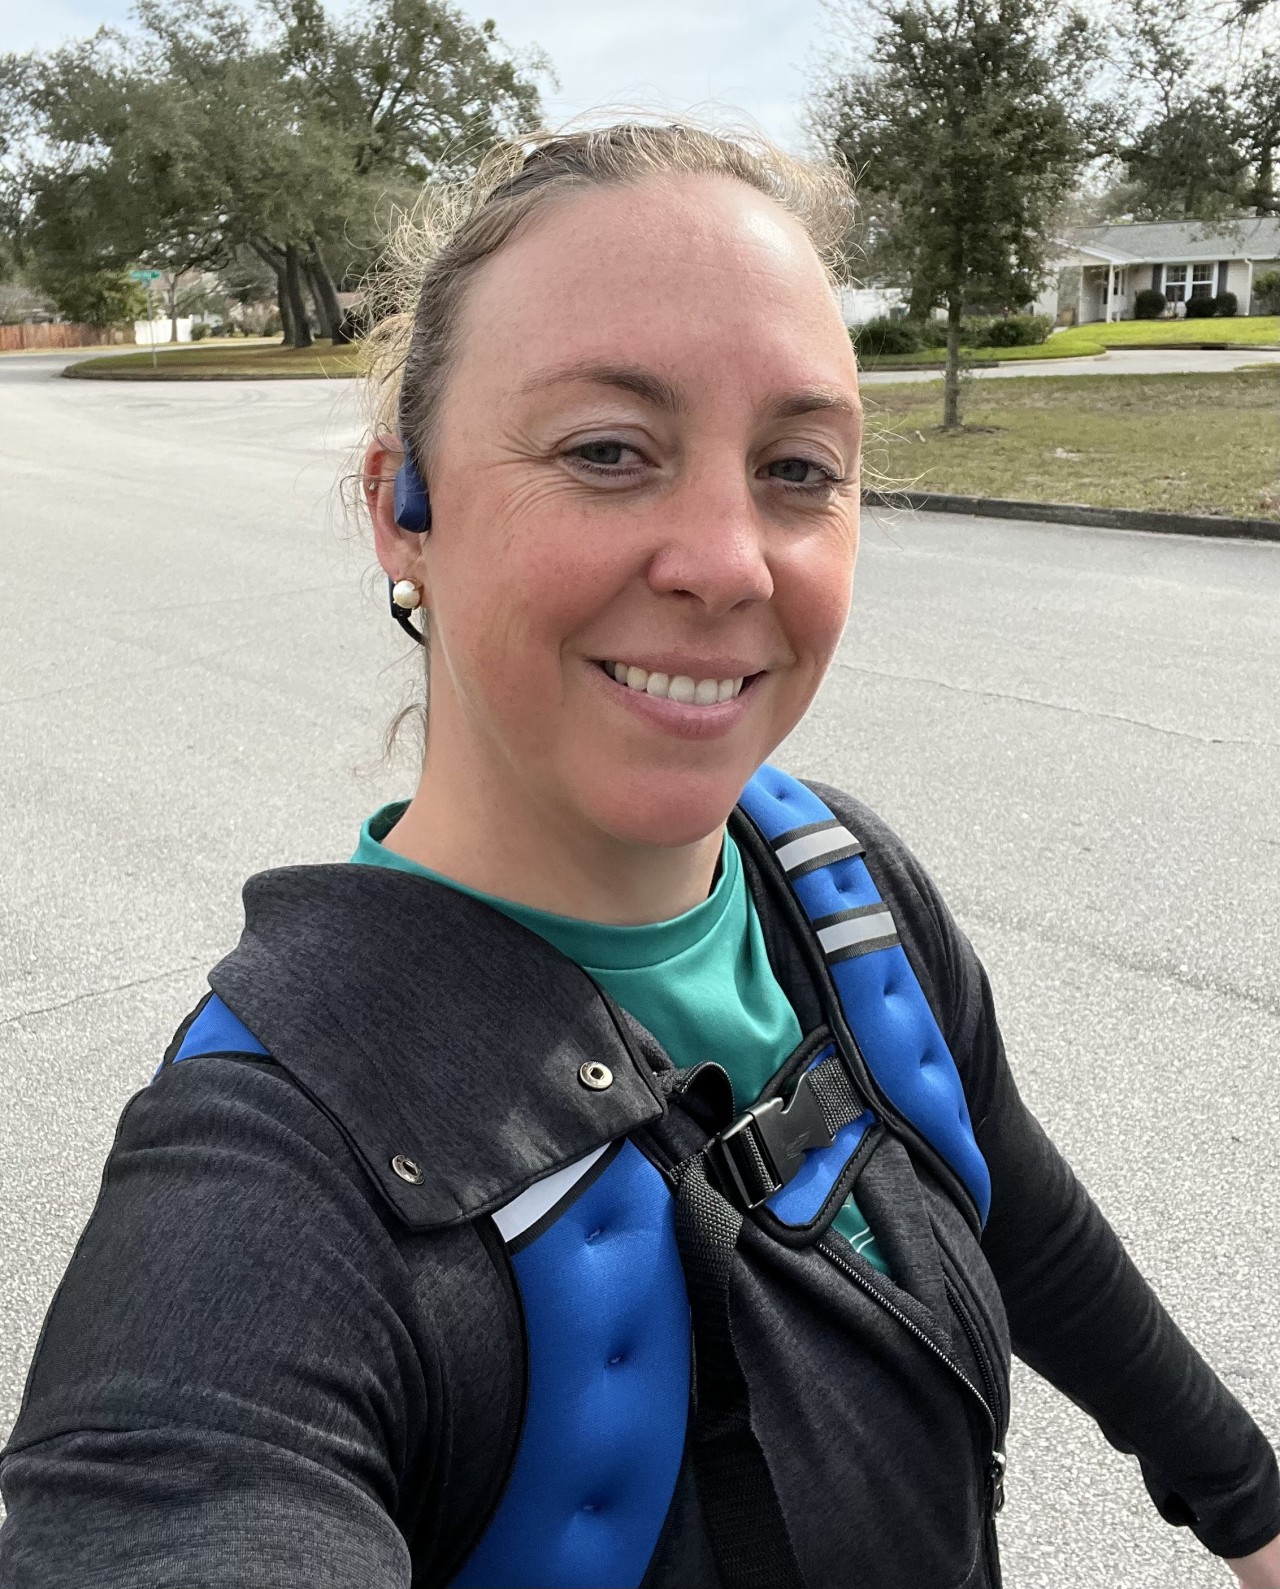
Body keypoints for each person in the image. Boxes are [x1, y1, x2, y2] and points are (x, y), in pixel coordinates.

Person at [0, 122, 1276, 1589]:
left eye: (799, 467)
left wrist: (1246, 1500)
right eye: (609, 451)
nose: (730, 559)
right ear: (400, 510)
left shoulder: (840, 894)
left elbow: (1019, 1216)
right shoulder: (280, 1175)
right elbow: (172, 1495)